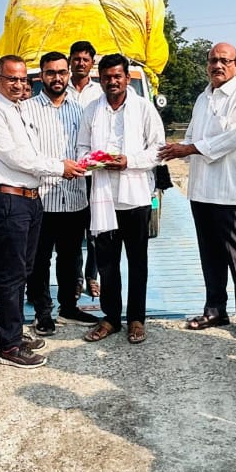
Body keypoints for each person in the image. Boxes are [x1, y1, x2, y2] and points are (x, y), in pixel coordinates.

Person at [0, 55, 86, 367]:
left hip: (30, 199)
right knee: (11, 273)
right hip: (9, 200)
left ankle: (12, 333)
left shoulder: (18, 110)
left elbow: (32, 153)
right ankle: (9, 347)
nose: (18, 84)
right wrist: (58, 167)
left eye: (22, 79)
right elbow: (16, 157)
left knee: (23, 271)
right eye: (11, 78)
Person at [159, 42, 236, 340]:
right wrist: (176, 150)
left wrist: (190, 149)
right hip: (201, 189)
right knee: (209, 252)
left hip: (229, 189)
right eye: (213, 60)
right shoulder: (203, 97)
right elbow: (191, 135)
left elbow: (235, 137)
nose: (218, 65)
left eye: (224, 60)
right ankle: (215, 309)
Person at [78, 53, 166, 345]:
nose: (112, 81)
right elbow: (81, 147)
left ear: (127, 78)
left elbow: (158, 149)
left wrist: (129, 161)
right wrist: (95, 160)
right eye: (106, 77)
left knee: (137, 261)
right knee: (106, 263)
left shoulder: (143, 108)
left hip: (136, 196)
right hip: (103, 197)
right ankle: (111, 318)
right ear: (100, 80)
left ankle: (136, 318)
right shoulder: (92, 110)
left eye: (117, 76)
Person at [23, 51, 102, 335]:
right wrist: (58, 168)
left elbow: (90, 148)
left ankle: (69, 306)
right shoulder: (27, 110)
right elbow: (26, 154)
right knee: (39, 260)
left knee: (70, 257)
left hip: (75, 197)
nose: (57, 78)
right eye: (50, 73)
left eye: (61, 72)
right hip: (41, 198)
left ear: (68, 74)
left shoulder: (81, 110)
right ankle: (43, 313)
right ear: (41, 75)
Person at [68, 40, 103, 299]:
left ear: (92, 63)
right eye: (76, 58)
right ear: (70, 61)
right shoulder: (59, 89)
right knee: (71, 232)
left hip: (93, 173)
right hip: (66, 172)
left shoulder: (100, 93)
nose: (80, 63)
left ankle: (93, 277)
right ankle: (75, 279)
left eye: (85, 59)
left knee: (95, 230)